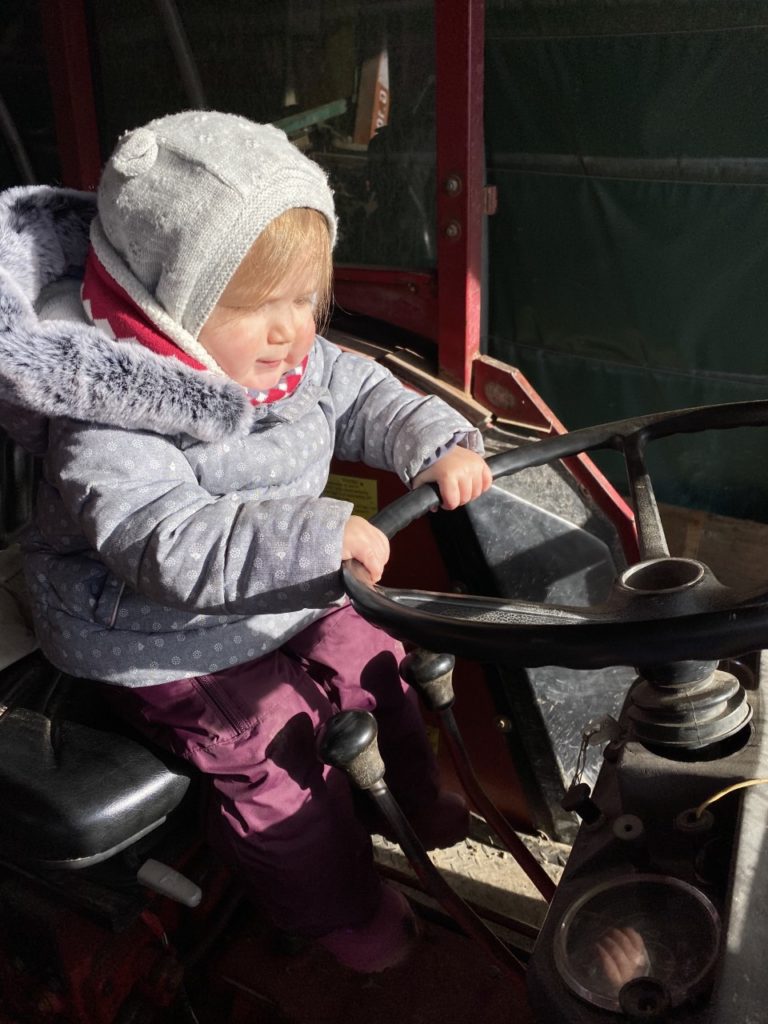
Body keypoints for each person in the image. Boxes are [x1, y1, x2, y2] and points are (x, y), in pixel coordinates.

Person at [0, 111, 492, 972]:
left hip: (279, 582)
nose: (292, 329)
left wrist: (433, 439)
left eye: (306, 299)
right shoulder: (107, 420)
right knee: (276, 758)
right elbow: (164, 539)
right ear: (167, 305)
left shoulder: (280, 356)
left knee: (375, 656)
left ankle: (410, 798)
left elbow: (361, 387)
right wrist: (315, 535)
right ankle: (338, 912)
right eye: (259, 306)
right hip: (153, 632)